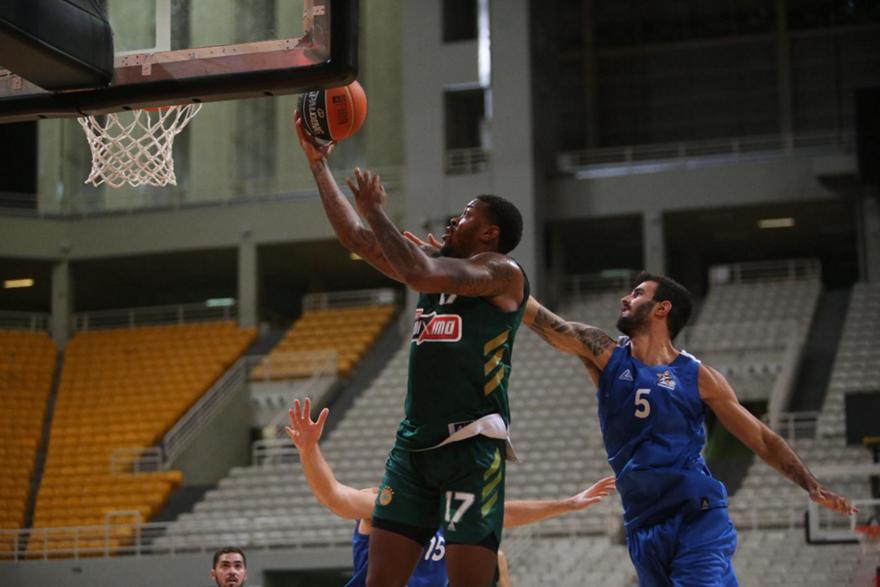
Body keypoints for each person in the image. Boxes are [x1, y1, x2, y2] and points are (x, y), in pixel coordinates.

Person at [295, 114, 529, 587]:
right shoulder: (434, 267)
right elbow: (356, 240)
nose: (453, 219)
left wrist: (378, 210)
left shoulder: (502, 273)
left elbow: (420, 273)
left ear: (489, 235)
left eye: (466, 215)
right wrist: (318, 165)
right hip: (413, 449)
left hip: (470, 448)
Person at [522, 271, 858, 585]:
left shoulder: (699, 376)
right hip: (642, 526)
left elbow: (762, 438)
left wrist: (809, 484)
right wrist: (502, 283)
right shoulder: (607, 355)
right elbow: (548, 323)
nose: (625, 298)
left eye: (638, 293)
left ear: (662, 308)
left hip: (697, 515)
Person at [286, 397, 617, 587]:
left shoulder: (454, 511)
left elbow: (504, 513)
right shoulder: (385, 501)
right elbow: (335, 496)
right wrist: (308, 451)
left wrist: (568, 504)